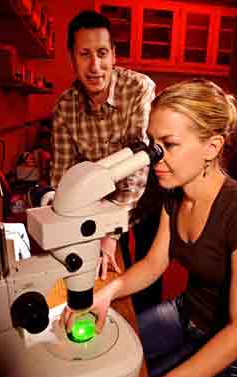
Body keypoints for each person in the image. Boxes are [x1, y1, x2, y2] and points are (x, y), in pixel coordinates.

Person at [64, 78, 237, 377]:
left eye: (169, 144)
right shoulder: (174, 193)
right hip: (185, 314)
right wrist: (106, 293)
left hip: (236, 350)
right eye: (152, 143)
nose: (155, 157)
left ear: (212, 147)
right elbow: (154, 264)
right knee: (103, 359)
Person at [50, 9, 162, 308]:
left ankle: (146, 325)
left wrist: (111, 231)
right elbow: (62, 174)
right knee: (107, 269)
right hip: (100, 203)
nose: (95, 66)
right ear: (71, 57)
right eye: (84, 54)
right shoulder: (64, 107)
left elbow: (141, 163)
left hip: (148, 195)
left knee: (148, 269)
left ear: (114, 54)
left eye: (102, 53)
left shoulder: (139, 88)